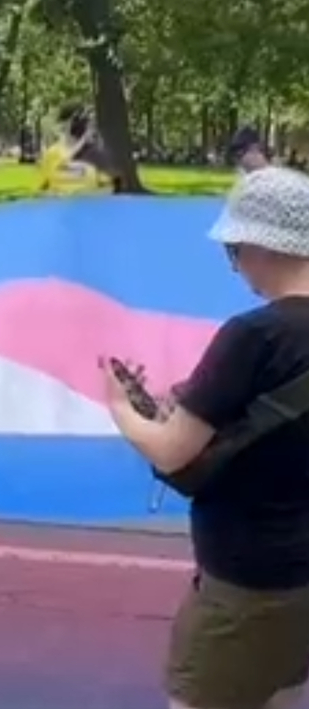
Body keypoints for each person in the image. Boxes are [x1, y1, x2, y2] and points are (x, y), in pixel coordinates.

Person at [102, 167, 309, 709]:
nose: (237, 266)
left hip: (250, 576)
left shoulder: (254, 335)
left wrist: (122, 407)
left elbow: (173, 451)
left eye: (236, 250)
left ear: (261, 246)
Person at [39, 103, 111, 195]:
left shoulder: (96, 153)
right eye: (75, 119)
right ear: (63, 124)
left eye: (84, 120)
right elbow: (41, 191)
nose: (79, 123)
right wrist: (52, 195)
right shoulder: (52, 153)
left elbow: (109, 190)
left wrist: (87, 196)